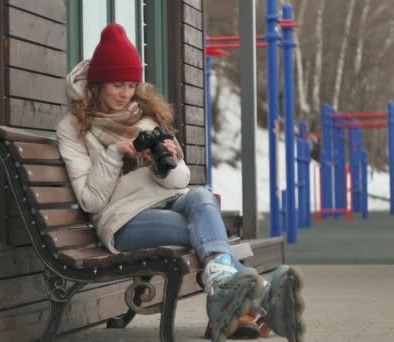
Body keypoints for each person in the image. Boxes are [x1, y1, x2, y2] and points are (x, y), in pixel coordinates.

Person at [56, 24, 305, 342]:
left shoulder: (144, 120)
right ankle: (260, 298)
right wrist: (114, 153)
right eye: (117, 84)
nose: (125, 93)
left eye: (131, 85)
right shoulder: (74, 127)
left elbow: (180, 181)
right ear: (97, 84)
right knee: (204, 230)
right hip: (121, 220)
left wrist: (171, 158)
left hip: (165, 202)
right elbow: (91, 200)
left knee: (201, 197)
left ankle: (223, 296)